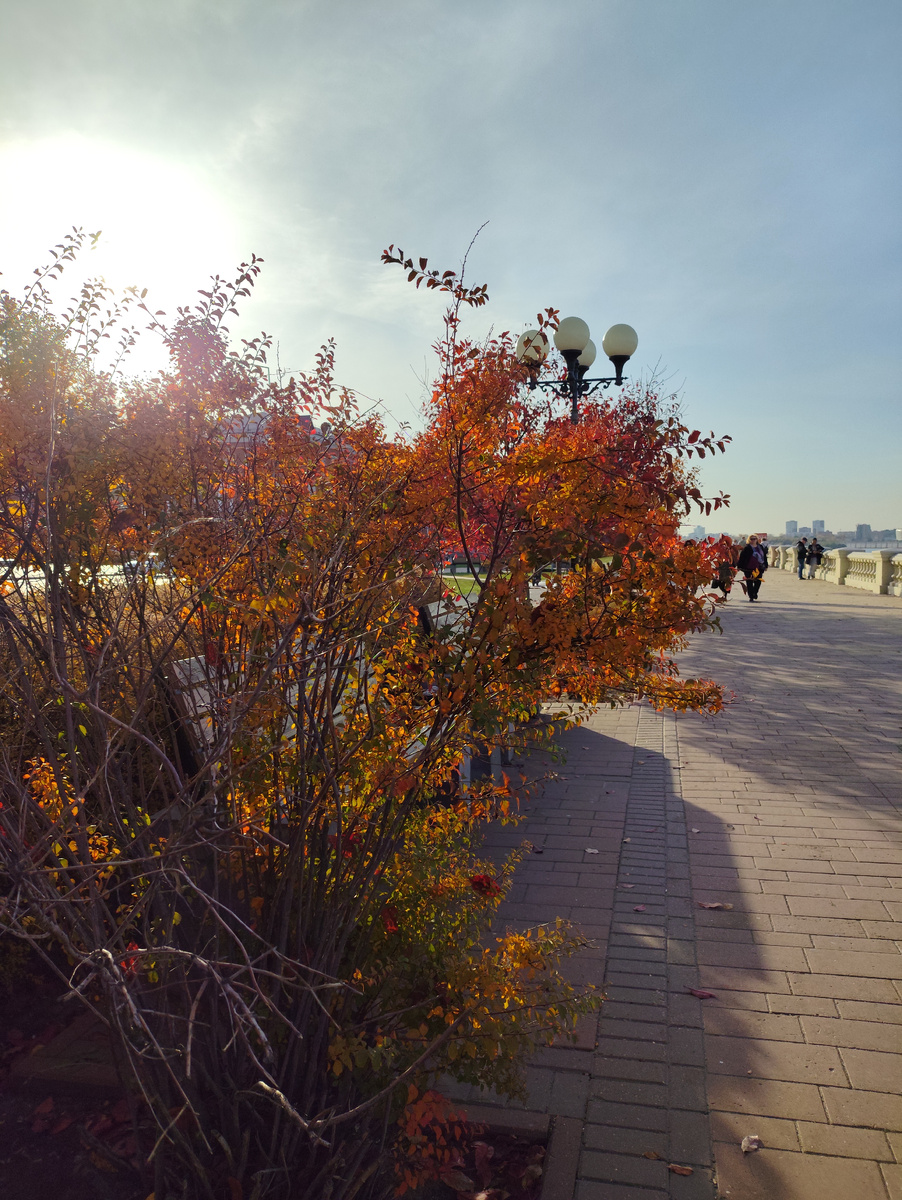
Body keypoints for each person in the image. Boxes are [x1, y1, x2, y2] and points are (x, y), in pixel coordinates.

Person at [738, 534, 768, 601]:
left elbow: (764, 557)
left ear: (757, 539)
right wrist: (739, 566)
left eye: (755, 539)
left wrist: (766, 565)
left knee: (758, 581)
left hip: (759, 567)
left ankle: (755, 593)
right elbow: (742, 557)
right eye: (751, 539)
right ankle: (751, 596)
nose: (753, 540)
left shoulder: (760, 547)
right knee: (749, 582)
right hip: (748, 567)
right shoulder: (747, 548)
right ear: (749, 540)